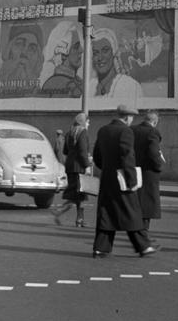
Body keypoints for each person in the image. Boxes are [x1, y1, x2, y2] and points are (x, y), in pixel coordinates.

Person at [91, 104, 157, 258]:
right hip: (123, 178)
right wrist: (132, 179)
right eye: (131, 117)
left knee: (106, 213)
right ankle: (143, 246)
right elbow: (127, 156)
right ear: (127, 117)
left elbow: (97, 156)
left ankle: (101, 247)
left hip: (107, 179)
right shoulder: (125, 131)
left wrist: (107, 169)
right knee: (132, 211)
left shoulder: (103, 130)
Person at [52, 113, 92, 227]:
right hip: (79, 167)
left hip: (70, 166)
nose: (89, 124)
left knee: (78, 194)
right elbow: (83, 151)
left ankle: (80, 219)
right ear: (83, 122)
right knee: (79, 193)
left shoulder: (70, 132)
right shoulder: (83, 132)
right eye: (88, 121)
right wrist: (87, 165)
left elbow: (65, 151)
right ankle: (59, 211)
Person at [90, 27, 142, 104]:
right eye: (95, 53)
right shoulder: (89, 87)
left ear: (114, 52)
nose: (100, 58)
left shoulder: (130, 86)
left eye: (105, 50)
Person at [133, 109, 164, 232]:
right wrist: (159, 166)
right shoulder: (153, 132)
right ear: (155, 122)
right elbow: (153, 152)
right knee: (148, 202)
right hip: (148, 172)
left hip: (134, 169)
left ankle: (136, 228)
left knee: (137, 200)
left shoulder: (132, 129)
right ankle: (143, 231)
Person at [0, 23, 44, 97]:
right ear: (9, 50)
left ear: (38, 59)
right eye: (19, 44)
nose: (24, 53)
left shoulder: (41, 92)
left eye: (32, 48)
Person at [40, 22, 83, 97]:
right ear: (63, 55)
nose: (81, 50)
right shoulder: (55, 84)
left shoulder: (78, 81)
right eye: (76, 47)